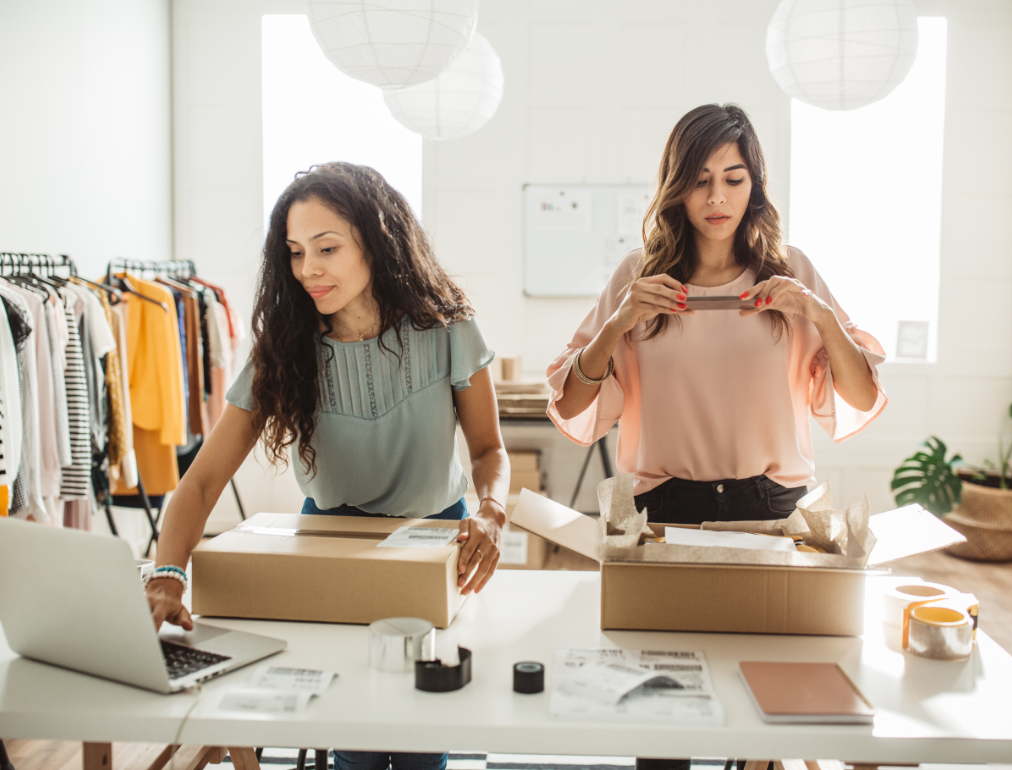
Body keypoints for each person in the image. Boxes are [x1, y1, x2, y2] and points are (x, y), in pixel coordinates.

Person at [547, 104, 887, 770]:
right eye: (700, 179)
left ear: (754, 185)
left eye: (733, 178)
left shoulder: (792, 273)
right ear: (676, 186)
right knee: (662, 717)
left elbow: (861, 393)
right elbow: (573, 402)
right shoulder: (636, 278)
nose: (717, 197)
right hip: (664, 517)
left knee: (769, 718)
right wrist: (616, 324)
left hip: (771, 515)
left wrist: (816, 312)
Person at [145, 162, 509, 770]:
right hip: (329, 544)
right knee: (354, 736)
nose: (308, 269)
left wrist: (493, 510)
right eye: (294, 252)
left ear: (378, 240)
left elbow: (488, 450)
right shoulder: (286, 347)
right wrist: (166, 573)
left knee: (424, 734)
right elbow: (202, 480)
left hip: (437, 539)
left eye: (327, 248)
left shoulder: (448, 327)